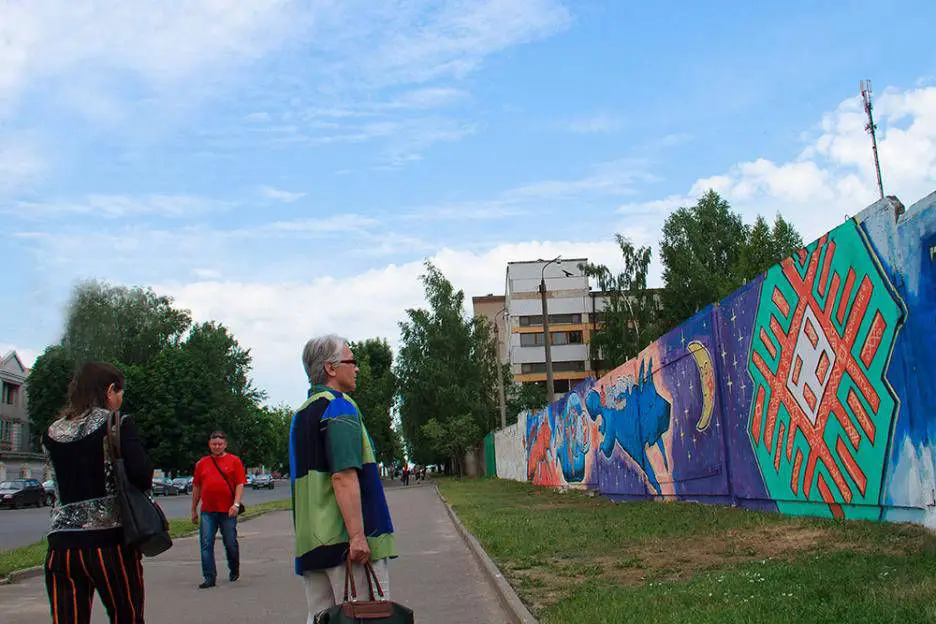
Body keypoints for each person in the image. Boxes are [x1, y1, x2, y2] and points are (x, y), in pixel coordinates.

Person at [292, 335, 398, 622]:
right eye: (352, 361)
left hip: (311, 542)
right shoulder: (339, 406)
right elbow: (343, 476)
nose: (357, 368)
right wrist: (357, 536)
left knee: (320, 617)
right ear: (331, 368)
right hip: (345, 545)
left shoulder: (301, 415)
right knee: (364, 615)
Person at [43, 361, 154, 623]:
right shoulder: (117, 423)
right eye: (120, 393)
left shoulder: (51, 432)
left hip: (61, 546)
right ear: (110, 390)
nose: (119, 399)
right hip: (109, 542)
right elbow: (142, 475)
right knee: (126, 614)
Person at [191, 431, 246, 589]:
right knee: (206, 543)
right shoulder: (202, 463)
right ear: (210, 445)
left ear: (225, 445)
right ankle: (209, 577)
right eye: (214, 444)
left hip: (228, 511)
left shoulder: (234, 461)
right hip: (208, 511)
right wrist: (193, 508)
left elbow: (240, 484)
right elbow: (197, 487)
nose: (217, 447)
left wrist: (236, 504)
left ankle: (234, 568)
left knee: (230, 542)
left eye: (220, 444)